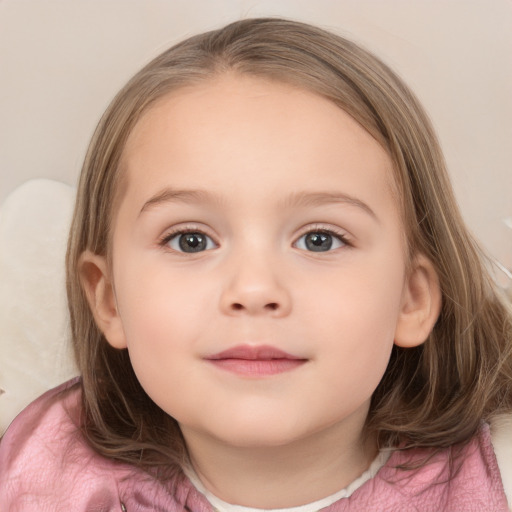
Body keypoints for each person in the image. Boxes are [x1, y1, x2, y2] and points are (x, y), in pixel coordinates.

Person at [0, 17, 511, 511]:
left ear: (412, 298)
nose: (254, 288)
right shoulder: (42, 478)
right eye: (191, 241)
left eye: (318, 239)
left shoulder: (498, 480)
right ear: (108, 299)